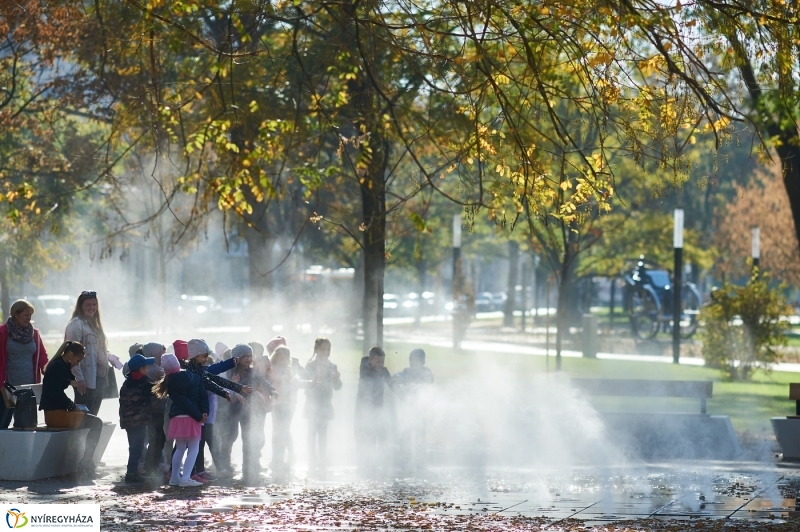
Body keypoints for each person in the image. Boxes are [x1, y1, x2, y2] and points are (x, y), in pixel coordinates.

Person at [182, 339, 252, 483]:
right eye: (203, 356)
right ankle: (181, 474)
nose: (206, 358)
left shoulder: (200, 370)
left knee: (199, 444)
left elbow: (214, 376)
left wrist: (234, 387)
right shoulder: (189, 372)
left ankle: (196, 472)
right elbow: (213, 381)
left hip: (203, 416)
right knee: (187, 446)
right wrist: (231, 390)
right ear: (195, 356)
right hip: (193, 415)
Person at [39, 341, 104, 478]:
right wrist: (72, 406)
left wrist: (72, 382)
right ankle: (86, 462)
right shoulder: (57, 366)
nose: (77, 364)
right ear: (70, 354)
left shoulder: (61, 365)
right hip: (54, 415)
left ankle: (86, 461)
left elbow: (66, 380)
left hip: (58, 412)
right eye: (77, 360)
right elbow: (56, 392)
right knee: (96, 423)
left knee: (92, 420)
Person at [220, 344, 277, 484]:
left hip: (248, 410)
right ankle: (224, 467)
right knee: (229, 437)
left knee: (248, 439)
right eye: (245, 357)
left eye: (250, 356)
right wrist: (233, 384)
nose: (248, 359)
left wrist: (271, 390)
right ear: (237, 358)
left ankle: (248, 471)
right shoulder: (229, 372)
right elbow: (223, 387)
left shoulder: (252, 371)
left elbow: (262, 381)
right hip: (232, 409)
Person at [153, 353, 207, 487]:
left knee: (180, 448)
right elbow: (202, 396)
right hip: (192, 417)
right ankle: (186, 478)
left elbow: (181, 401)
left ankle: (175, 477)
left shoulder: (170, 381)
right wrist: (201, 414)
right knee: (194, 448)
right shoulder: (192, 377)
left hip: (177, 418)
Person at [65, 291, 115, 415]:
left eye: (94, 305)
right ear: (80, 306)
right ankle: (78, 436)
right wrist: (79, 379)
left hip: (99, 377)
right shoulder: (76, 325)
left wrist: (108, 356)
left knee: (92, 416)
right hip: (86, 379)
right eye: (88, 305)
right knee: (83, 417)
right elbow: (71, 355)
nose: (92, 308)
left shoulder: (93, 324)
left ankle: (90, 435)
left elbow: (95, 349)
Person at [0, 300, 48, 428]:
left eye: (30, 315)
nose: (29, 318)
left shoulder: (34, 333)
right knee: (3, 422)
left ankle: (21, 448)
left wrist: (47, 369)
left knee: (26, 424)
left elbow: (42, 355)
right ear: (16, 314)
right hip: (7, 386)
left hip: (28, 387)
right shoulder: (3, 332)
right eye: (26, 315)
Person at [269, 345, 313, 475]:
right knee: (278, 431)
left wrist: (310, 383)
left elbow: (297, 382)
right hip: (277, 404)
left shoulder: (289, 370)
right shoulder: (272, 369)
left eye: (285, 358)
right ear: (276, 357)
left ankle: (281, 459)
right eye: (280, 357)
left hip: (288, 405)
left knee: (283, 431)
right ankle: (278, 459)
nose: (282, 360)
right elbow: (271, 382)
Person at [391, 348, 434, 471]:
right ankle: (404, 461)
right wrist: (400, 393)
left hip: (420, 410)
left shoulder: (426, 372)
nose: (413, 363)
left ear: (423, 361)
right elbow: (396, 377)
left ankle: (420, 462)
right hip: (408, 410)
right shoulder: (406, 372)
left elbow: (426, 381)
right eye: (411, 360)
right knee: (405, 434)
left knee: (420, 435)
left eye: (416, 360)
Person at [304, 338, 342, 470]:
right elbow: (306, 384)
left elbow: (338, 387)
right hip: (312, 402)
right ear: (316, 350)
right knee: (312, 431)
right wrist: (313, 380)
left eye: (327, 349)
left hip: (326, 403)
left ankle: (322, 458)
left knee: (323, 432)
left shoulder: (332, 366)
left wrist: (336, 379)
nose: (325, 352)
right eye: (322, 349)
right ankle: (311, 458)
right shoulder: (310, 366)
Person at [355, 346, 394, 471]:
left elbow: (392, 384)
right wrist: (366, 395)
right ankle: (364, 464)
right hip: (363, 410)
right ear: (370, 360)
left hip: (378, 409)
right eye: (377, 362)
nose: (380, 365)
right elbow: (364, 382)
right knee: (365, 435)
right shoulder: (365, 369)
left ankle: (378, 463)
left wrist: (404, 395)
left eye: (382, 362)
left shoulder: (383, 371)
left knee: (380, 435)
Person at [119, 353, 156, 482]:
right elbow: (157, 392)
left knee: (133, 446)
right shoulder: (144, 384)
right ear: (141, 370)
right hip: (139, 421)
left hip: (127, 421)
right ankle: (131, 473)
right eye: (146, 367)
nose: (148, 369)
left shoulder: (126, 382)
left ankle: (134, 470)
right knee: (137, 447)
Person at [141, 343, 168, 478]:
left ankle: (151, 469)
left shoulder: (150, 368)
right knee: (156, 441)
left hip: (155, 410)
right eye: (161, 354)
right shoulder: (155, 370)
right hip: (155, 410)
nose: (163, 356)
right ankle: (151, 470)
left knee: (156, 440)